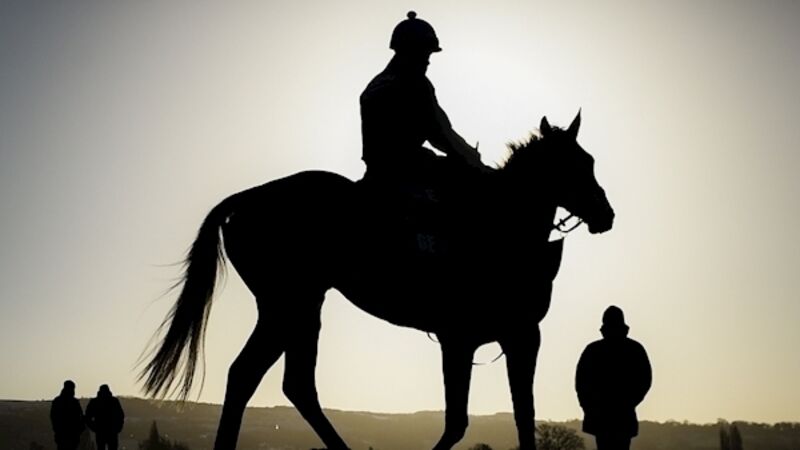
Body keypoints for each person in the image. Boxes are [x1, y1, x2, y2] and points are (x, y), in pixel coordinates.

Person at [359, 12, 491, 254]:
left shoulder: (375, 84)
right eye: (425, 53)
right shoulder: (414, 82)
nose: (428, 61)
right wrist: (473, 160)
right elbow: (440, 134)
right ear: (411, 51)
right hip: (407, 170)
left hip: (376, 173)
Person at [575, 306, 652, 450]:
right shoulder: (634, 349)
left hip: (603, 416)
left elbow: (581, 384)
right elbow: (644, 381)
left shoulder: (593, 350)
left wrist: (589, 407)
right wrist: (628, 403)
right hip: (620, 415)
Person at [85, 384, 125, 450]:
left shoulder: (95, 402)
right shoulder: (114, 401)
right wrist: (117, 428)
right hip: (111, 431)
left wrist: (94, 428)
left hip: (101, 431)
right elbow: (120, 416)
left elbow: (87, 417)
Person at [50, 380, 85, 450]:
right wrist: (80, 429)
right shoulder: (74, 402)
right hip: (71, 434)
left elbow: (53, 417)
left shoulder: (58, 401)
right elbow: (80, 416)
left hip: (63, 434)